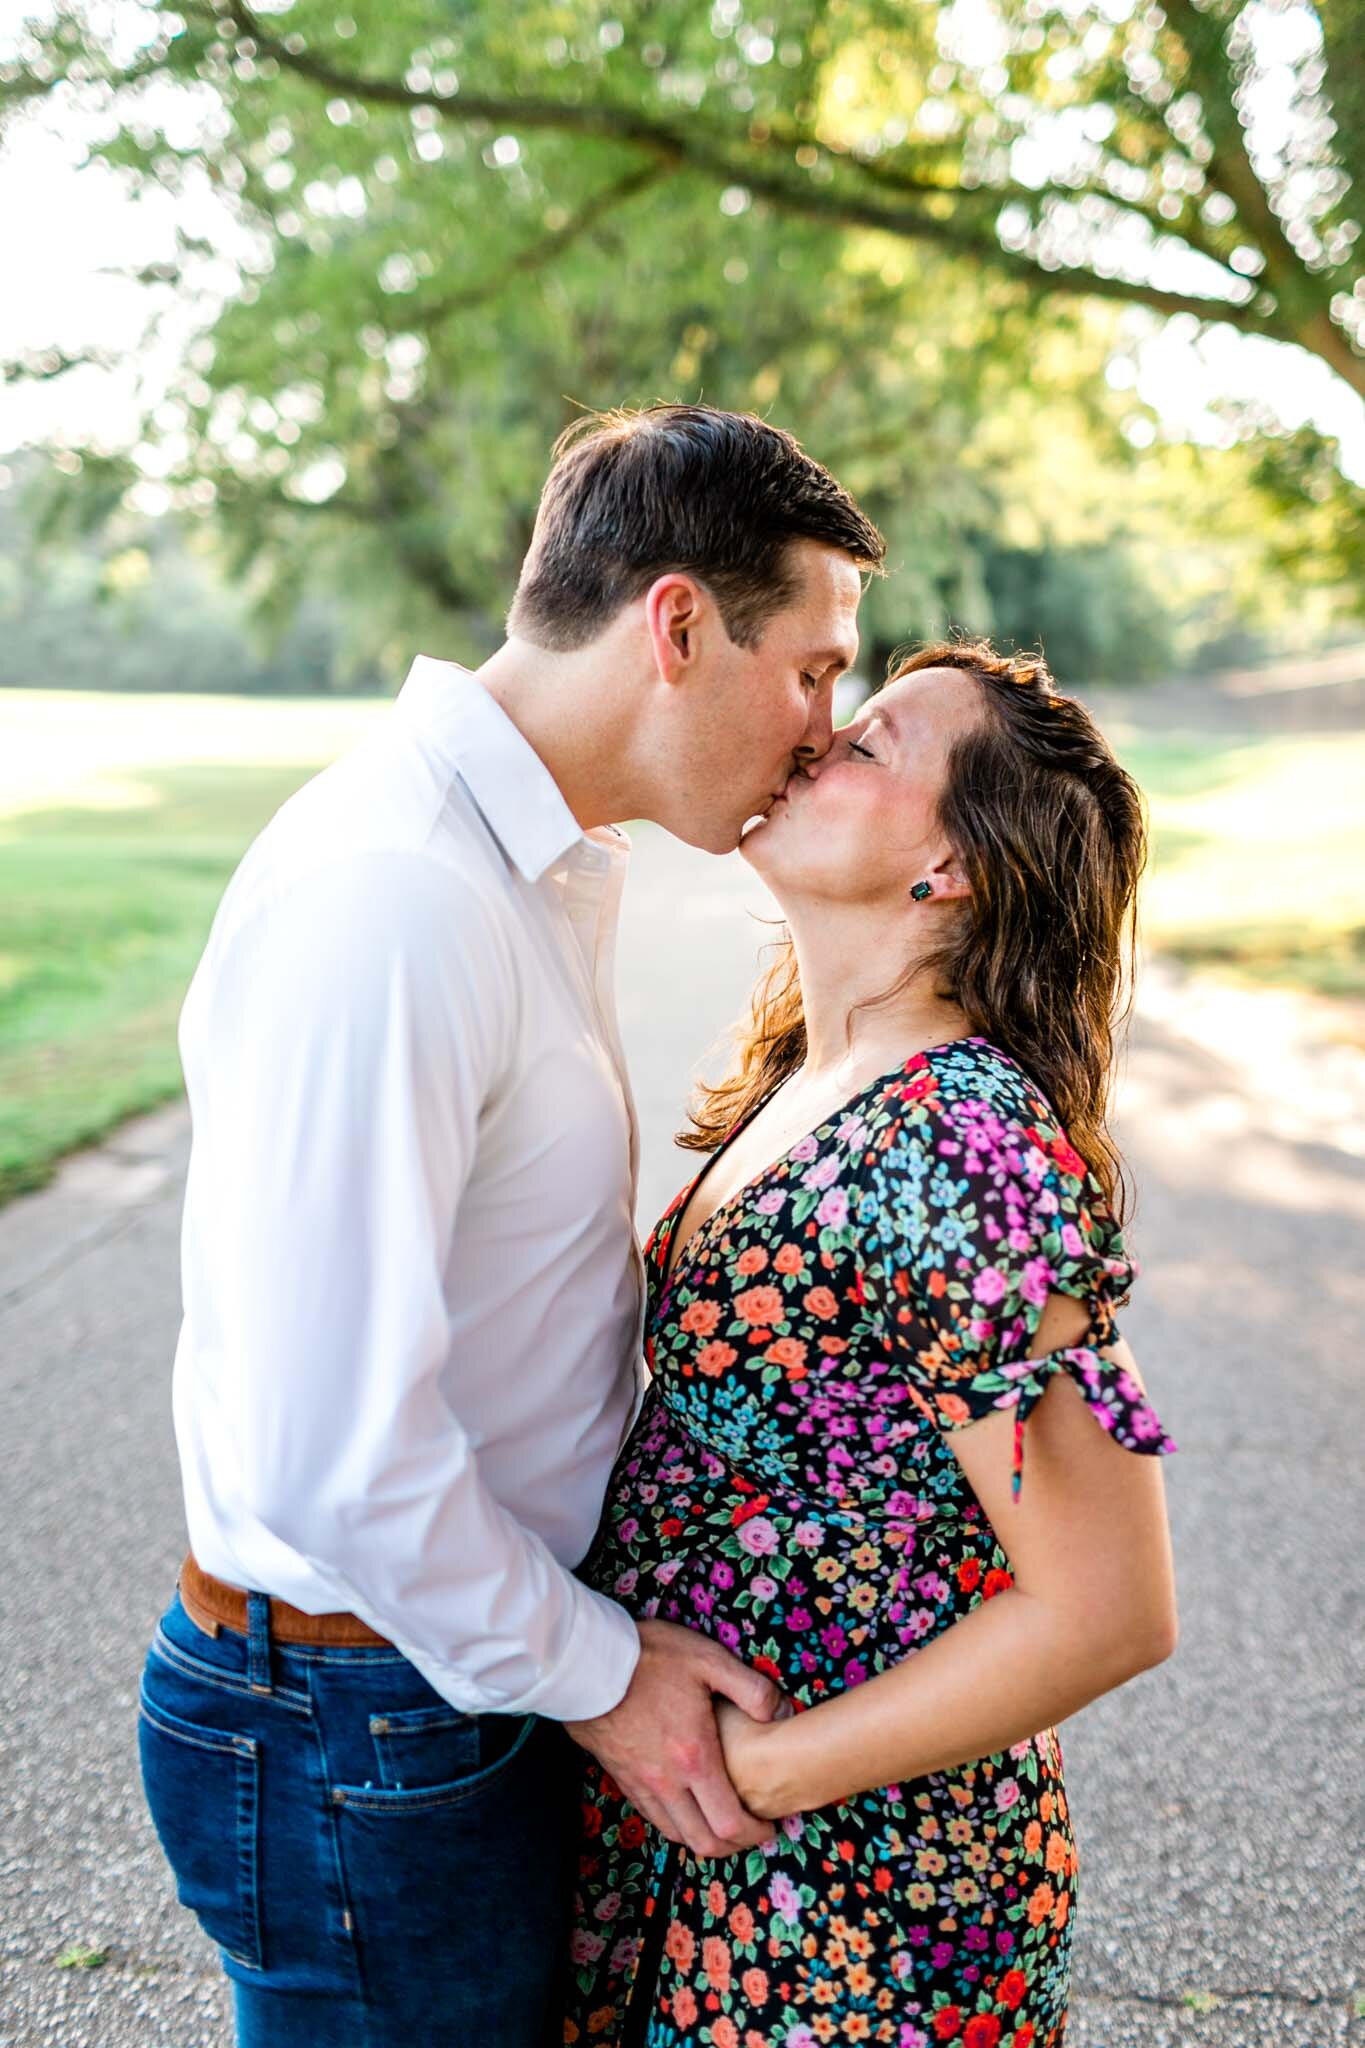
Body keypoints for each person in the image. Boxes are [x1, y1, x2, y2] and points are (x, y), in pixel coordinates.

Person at [135, 404, 887, 2047]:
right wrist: (609, 1679)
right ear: (677, 627)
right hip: (365, 1718)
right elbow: (327, 1452)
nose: (827, 731)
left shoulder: (525, 865)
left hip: (426, 1685)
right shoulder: (397, 895)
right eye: (816, 670)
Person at [561, 640, 1180, 2047]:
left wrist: (765, 1775)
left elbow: (1106, 1605)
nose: (814, 738)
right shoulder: (814, 1067)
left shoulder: (961, 1141)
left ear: (950, 867)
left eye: (871, 743)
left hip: (855, 1877)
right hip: (702, 1827)